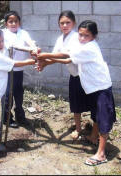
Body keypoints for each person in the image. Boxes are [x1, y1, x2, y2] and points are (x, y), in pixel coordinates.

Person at [37, 20, 116, 166]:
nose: (81, 38)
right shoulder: (82, 45)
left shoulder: (90, 48)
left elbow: (66, 56)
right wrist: (46, 61)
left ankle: (101, 154)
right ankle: (93, 137)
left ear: (94, 36)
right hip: (94, 88)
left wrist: (44, 56)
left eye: (86, 36)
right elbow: (67, 59)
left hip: (101, 88)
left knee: (103, 120)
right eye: (80, 35)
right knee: (96, 116)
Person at [34, 10, 90, 139]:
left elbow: (66, 55)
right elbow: (55, 57)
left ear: (74, 23)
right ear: (59, 25)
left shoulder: (76, 37)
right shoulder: (60, 39)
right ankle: (78, 128)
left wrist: (44, 56)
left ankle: (95, 131)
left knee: (93, 103)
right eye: (62, 23)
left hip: (86, 75)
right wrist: (43, 63)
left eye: (68, 23)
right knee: (75, 103)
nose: (64, 25)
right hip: (74, 76)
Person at [1, 11, 39, 128]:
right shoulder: (2, 33)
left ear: (19, 23)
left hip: (19, 70)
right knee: (8, 95)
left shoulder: (23, 33)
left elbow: (30, 43)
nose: (13, 24)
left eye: (15, 21)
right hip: (7, 69)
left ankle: (20, 117)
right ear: (6, 23)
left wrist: (34, 48)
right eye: (10, 21)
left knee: (18, 94)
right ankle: (6, 118)